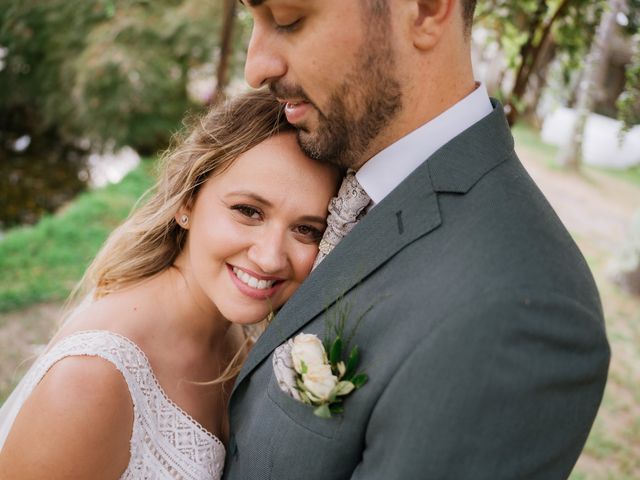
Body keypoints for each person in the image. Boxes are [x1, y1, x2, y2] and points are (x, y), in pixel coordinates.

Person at [224, 1, 611, 479]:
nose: (254, 67)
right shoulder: (317, 160)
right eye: (251, 21)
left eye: (288, 20)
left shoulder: (521, 316)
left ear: (427, 11)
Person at [0, 90, 340, 479]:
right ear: (187, 203)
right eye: (248, 211)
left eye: (306, 230)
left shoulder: (244, 344)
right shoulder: (90, 379)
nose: (270, 257)